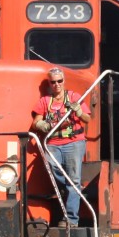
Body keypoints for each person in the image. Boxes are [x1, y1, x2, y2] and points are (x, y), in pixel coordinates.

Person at [30, 67, 91, 226]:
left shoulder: (74, 97)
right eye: (53, 82)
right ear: (49, 84)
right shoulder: (45, 101)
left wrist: (78, 111)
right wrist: (41, 125)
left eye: (59, 81)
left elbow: (87, 119)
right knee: (52, 169)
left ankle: (71, 219)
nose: (57, 84)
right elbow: (35, 122)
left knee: (74, 180)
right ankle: (72, 189)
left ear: (64, 81)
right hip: (53, 144)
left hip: (74, 143)